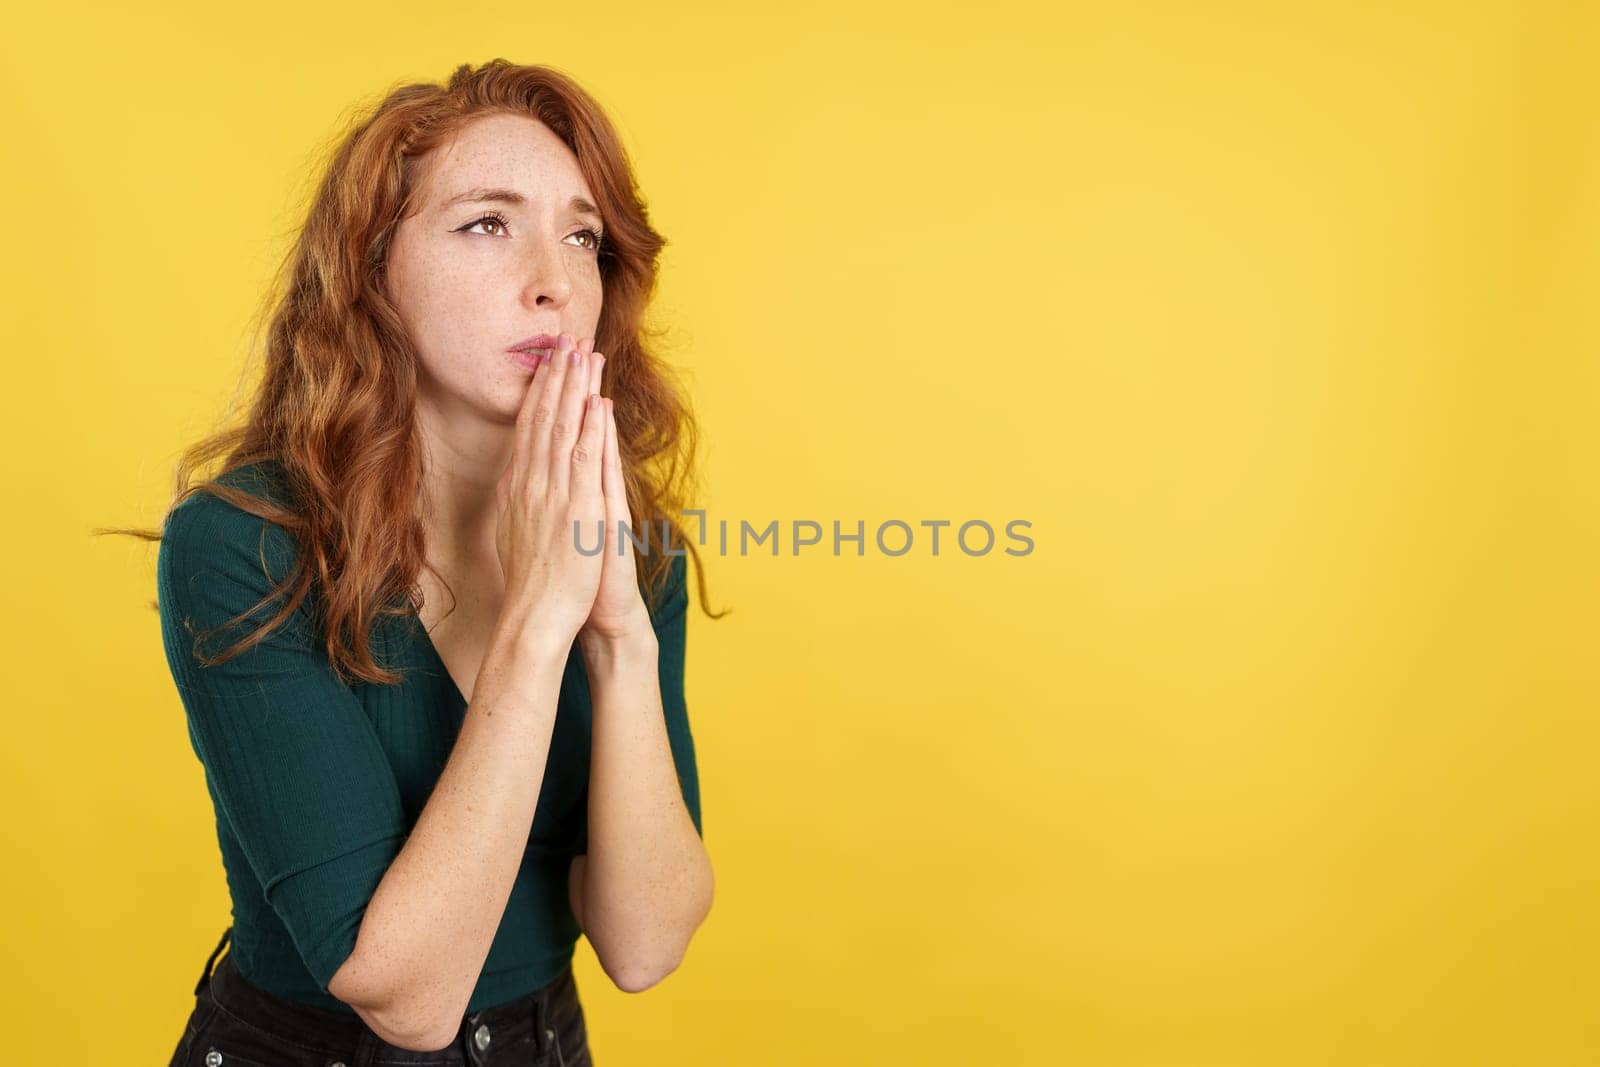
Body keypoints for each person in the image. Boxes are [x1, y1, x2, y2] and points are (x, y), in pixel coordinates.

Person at [126, 59, 719, 1065]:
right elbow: (406, 997)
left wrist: (616, 633)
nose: (553, 279)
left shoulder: (627, 537)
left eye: (581, 235)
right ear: (370, 270)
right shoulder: (244, 542)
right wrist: (538, 624)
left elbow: (646, 940)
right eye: (486, 224)